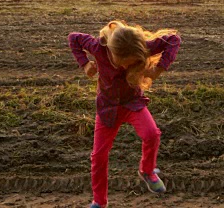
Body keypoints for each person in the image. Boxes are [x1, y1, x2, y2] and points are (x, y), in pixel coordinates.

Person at [68, 20, 181, 208]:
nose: (127, 65)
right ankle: (99, 201)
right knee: (99, 156)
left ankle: (147, 171)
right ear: (113, 52)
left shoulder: (140, 48)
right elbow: (73, 38)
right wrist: (85, 64)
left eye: (132, 61)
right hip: (107, 107)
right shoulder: (98, 47)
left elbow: (174, 39)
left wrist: (159, 69)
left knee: (152, 134)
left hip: (132, 103)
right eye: (125, 61)